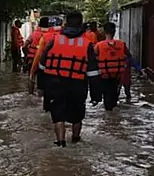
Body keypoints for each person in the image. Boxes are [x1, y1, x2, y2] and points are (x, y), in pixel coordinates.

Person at [36, 11, 101, 146]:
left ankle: (60, 142)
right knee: (77, 113)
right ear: (81, 24)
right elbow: (93, 73)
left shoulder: (55, 40)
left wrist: (41, 87)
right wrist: (96, 96)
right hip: (77, 85)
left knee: (57, 113)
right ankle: (76, 140)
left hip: (55, 83)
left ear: (65, 23)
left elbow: (42, 65)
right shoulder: (87, 44)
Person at [94, 22, 131, 111]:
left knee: (106, 95)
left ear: (104, 31)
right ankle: (114, 114)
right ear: (114, 32)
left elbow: (92, 59)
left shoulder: (99, 45)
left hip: (104, 75)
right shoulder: (121, 44)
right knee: (114, 94)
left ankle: (108, 115)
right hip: (117, 74)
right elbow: (129, 56)